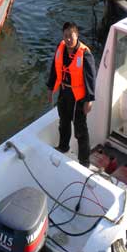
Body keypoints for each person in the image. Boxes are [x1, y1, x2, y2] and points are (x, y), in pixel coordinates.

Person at [47, 22, 96, 167]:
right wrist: (50, 89)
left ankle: (84, 161)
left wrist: (89, 100)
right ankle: (63, 146)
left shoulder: (85, 54)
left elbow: (90, 78)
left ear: (77, 35)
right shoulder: (60, 48)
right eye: (66, 36)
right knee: (63, 121)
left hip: (79, 96)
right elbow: (55, 69)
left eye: (71, 36)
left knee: (80, 129)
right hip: (64, 92)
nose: (68, 39)